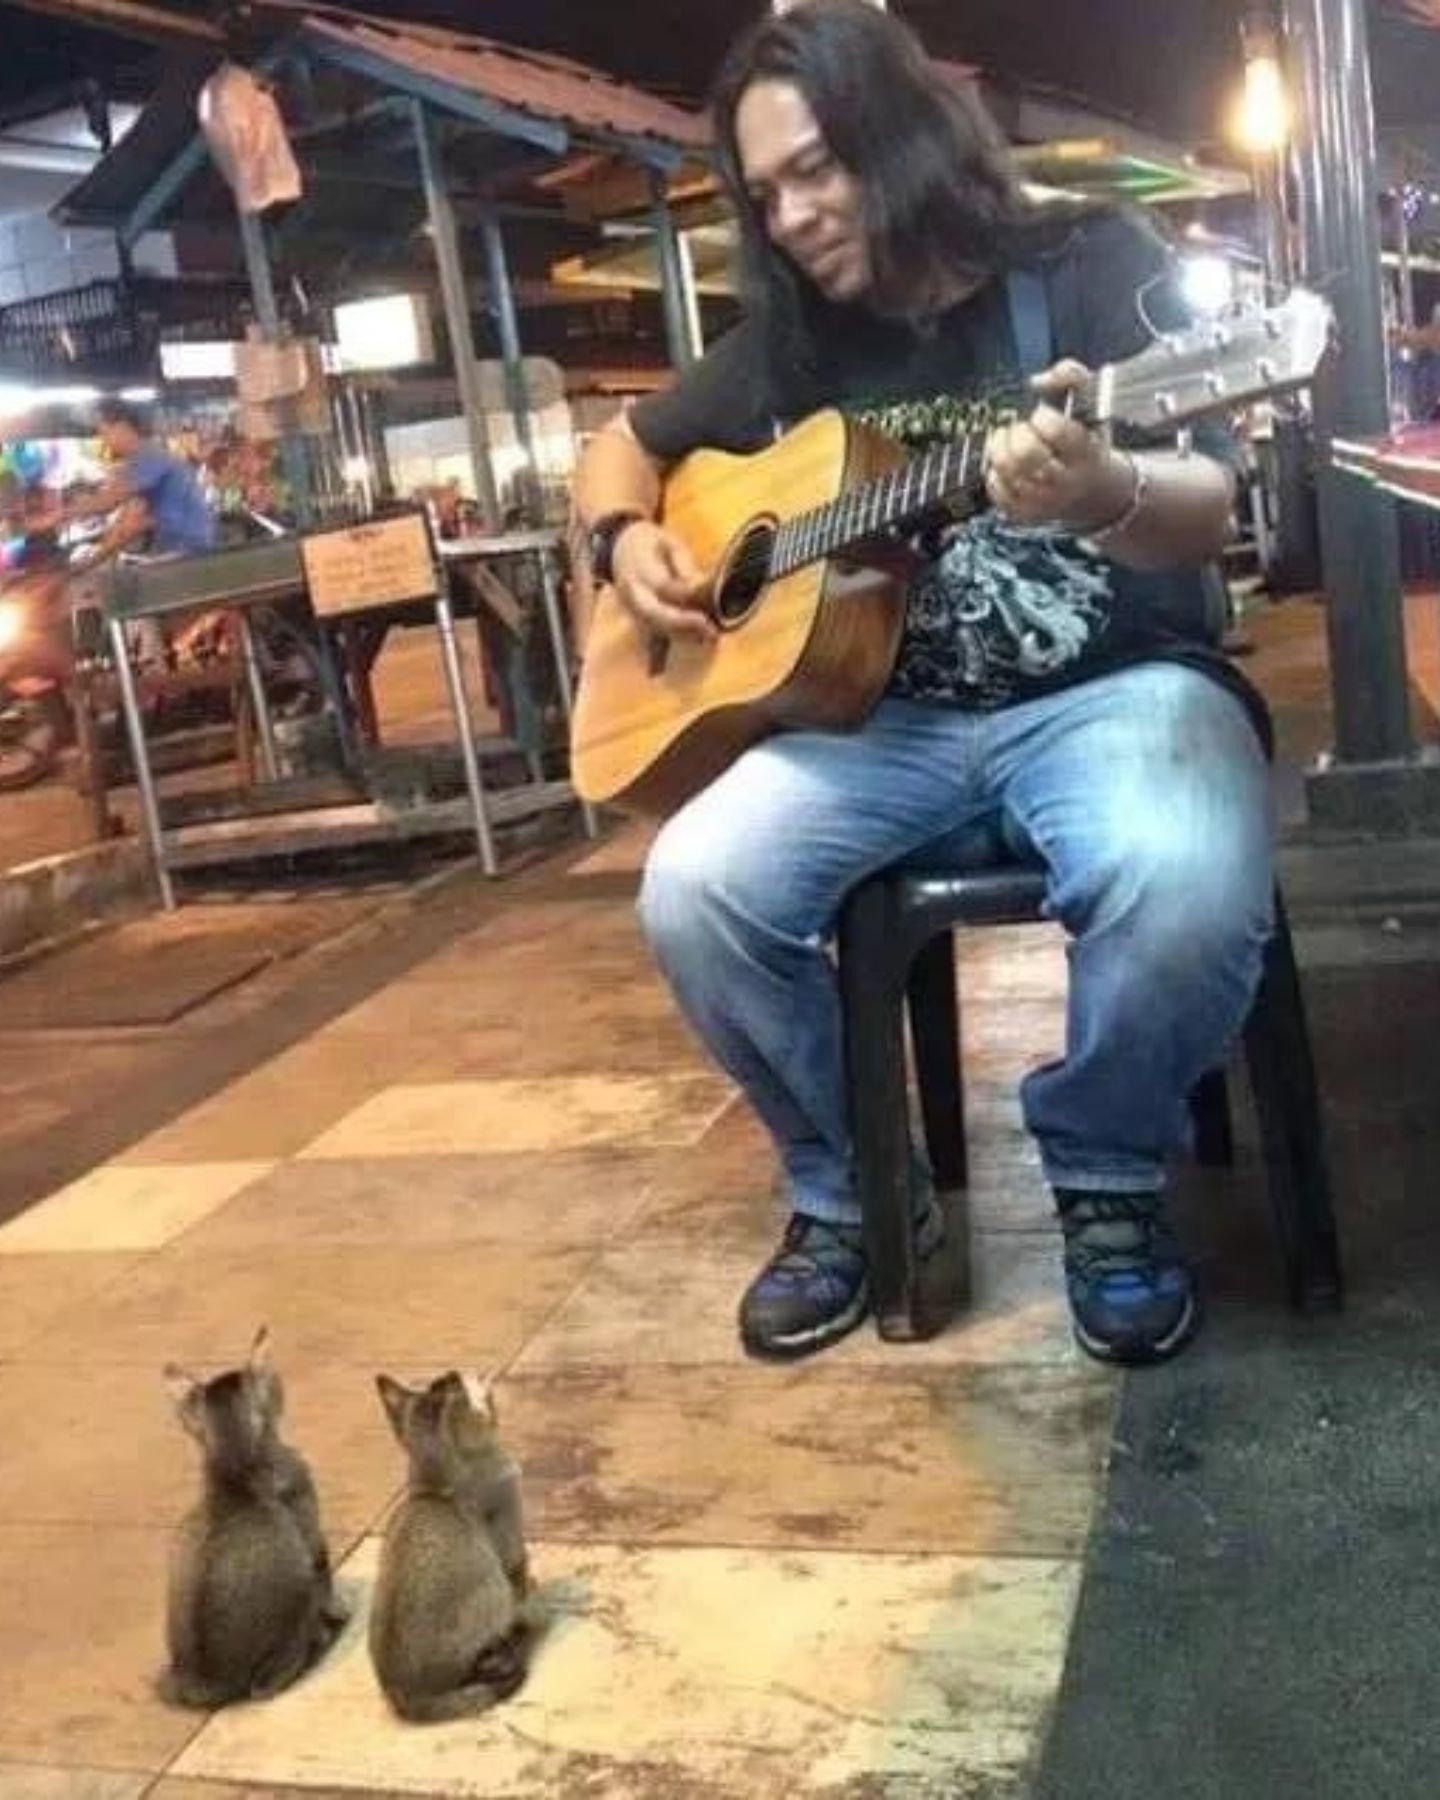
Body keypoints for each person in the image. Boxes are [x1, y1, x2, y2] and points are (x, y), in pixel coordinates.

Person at [573, 0, 1271, 1368]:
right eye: (765, 192)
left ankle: (1108, 1172)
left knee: (1182, 875)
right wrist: (621, 539)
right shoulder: (792, 345)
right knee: (694, 890)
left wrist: (1105, 485)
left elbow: (1211, 502)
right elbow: (618, 445)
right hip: (876, 725)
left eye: (816, 169)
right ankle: (855, 1193)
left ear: (897, 136)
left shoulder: (1083, 262)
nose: (789, 217)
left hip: (1112, 692)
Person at [45, 397, 216, 561]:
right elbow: (128, 519)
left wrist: (56, 516)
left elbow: (107, 502)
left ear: (121, 427)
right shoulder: (144, 459)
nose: (104, 441)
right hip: (178, 548)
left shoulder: (149, 457)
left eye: (104, 432)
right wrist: (95, 557)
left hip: (188, 551)